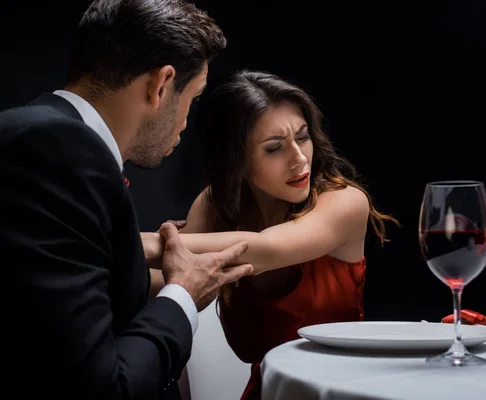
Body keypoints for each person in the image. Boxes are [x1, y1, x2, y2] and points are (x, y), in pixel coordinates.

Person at [0, 1, 253, 399]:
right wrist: (183, 295)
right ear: (162, 84)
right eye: (194, 97)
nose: (187, 122)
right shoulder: (59, 150)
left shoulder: (40, 133)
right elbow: (102, 387)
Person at [143, 70, 400, 399]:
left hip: (344, 391)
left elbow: (264, 250)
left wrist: (140, 241)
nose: (299, 158)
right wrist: (89, 260)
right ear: (238, 160)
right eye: (275, 148)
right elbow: (172, 280)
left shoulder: (346, 202)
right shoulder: (216, 205)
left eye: (303, 137)